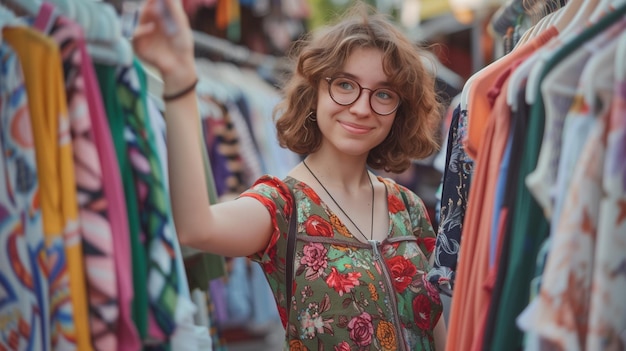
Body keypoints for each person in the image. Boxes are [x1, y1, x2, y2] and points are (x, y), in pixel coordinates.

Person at [133, 0, 447, 349]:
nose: (361, 108)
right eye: (345, 85)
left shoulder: (408, 207)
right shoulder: (285, 206)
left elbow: (435, 328)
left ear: (399, 112)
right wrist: (179, 81)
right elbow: (195, 228)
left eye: (384, 93)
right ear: (315, 91)